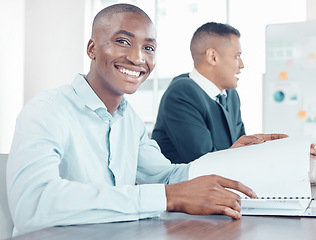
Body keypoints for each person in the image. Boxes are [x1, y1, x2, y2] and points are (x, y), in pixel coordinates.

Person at [6, 4, 258, 236]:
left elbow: (166, 177)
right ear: (92, 48)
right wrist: (166, 197)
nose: (138, 58)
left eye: (148, 48)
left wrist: (230, 160)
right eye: (123, 41)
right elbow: (31, 204)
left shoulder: (130, 121)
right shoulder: (47, 110)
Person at [152, 22, 287, 164]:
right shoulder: (181, 94)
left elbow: (242, 148)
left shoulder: (230, 95)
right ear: (212, 57)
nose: (241, 65)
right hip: (188, 184)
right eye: (236, 56)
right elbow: (203, 162)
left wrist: (273, 151)